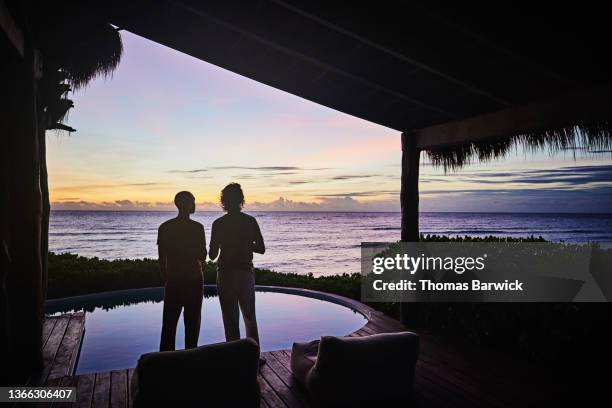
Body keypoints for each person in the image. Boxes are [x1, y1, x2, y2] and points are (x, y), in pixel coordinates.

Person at [209, 183, 265, 357]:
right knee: (249, 317)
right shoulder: (250, 221)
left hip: (225, 273)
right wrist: (247, 244)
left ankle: (234, 358)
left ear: (223, 201)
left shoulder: (218, 223)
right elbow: (261, 248)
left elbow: (212, 255)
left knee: (230, 320)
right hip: (245, 273)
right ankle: (253, 357)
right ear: (241, 200)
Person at [158, 191, 207, 351]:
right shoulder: (197, 228)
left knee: (169, 326)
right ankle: (190, 362)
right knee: (192, 325)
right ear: (187, 204)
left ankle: (165, 363)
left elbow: (161, 259)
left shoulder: (165, 228)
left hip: (174, 280)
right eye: (193, 202)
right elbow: (203, 256)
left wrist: (167, 279)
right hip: (194, 280)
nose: (195, 205)